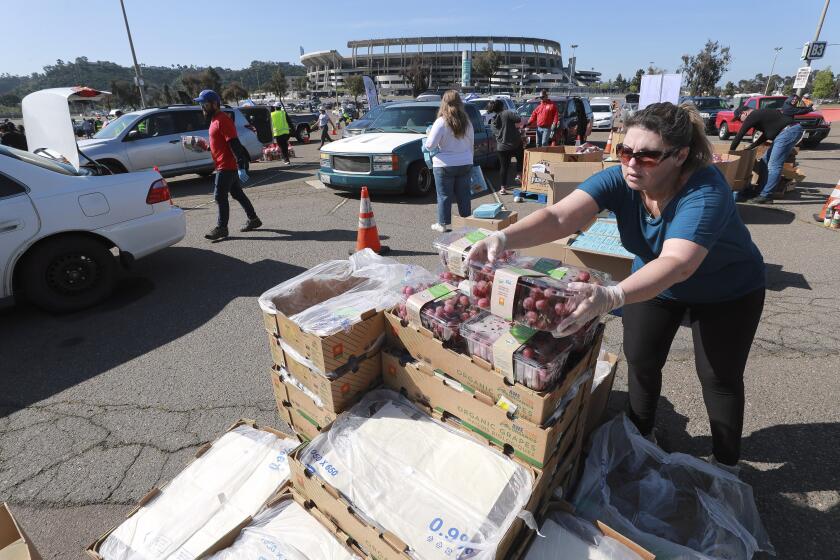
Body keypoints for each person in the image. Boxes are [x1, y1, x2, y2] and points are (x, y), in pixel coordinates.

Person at [468, 102, 765, 473]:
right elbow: (560, 216)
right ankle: (642, 436)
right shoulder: (622, 180)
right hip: (653, 283)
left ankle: (726, 465)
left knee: (718, 377)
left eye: (647, 156)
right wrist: (505, 238)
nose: (631, 164)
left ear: (680, 156)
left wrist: (611, 295)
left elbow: (678, 263)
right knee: (641, 359)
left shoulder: (705, 191)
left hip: (728, 288)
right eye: (625, 151)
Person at [194, 89, 261, 241]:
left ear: (214, 104)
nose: (202, 107)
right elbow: (220, 144)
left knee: (219, 196)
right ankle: (254, 219)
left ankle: (222, 228)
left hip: (226, 165)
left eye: (204, 104)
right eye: (201, 104)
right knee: (237, 193)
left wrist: (241, 166)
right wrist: (206, 147)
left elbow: (234, 144)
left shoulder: (222, 120)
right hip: (223, 164)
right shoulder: (214, 120)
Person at [729, 98, 809, 204]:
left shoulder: (753, 115)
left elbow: (740, 134)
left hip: (789, 131)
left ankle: (766, 196)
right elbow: (766, 135)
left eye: (739, 118)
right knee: (764, 161)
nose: (740, 121)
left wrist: (730, 152)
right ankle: (760, 191)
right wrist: (751, 146)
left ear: (744, 113)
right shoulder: (761, 116)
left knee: (774, 165)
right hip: (786, 132)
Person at [425, 90, 474, 232]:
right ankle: (466, 222)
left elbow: (430, 145)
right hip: (465, 162)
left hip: (444, 164)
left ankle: (443, 224)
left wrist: (428, 135)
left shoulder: (441, 122)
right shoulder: (467, 122)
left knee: (444, 195)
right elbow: (471, 143)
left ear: (444, 103)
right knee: (464, 195)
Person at [488, 99, 523, 195]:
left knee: (504, 167)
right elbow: (518, 119)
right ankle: (519, 175)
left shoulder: (492, 120)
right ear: (502, 106)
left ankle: (503, 188)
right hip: (515, 144)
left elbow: (495, 133)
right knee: (520, 158)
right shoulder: (507, 113)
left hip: (501, 147)